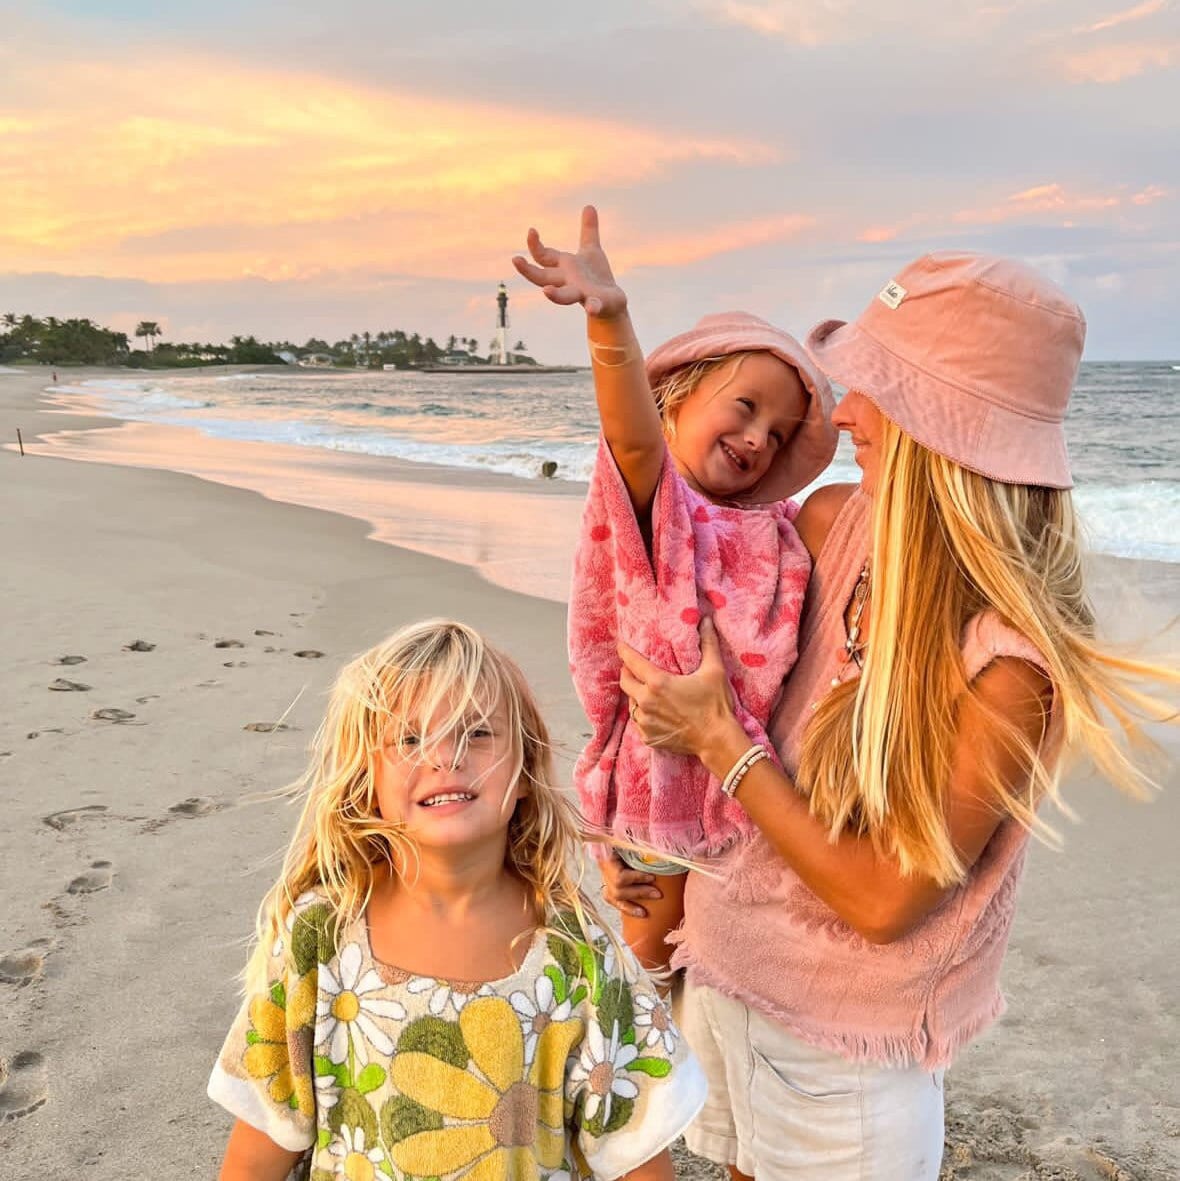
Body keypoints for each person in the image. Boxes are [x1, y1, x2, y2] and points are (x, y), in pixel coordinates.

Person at [607, 251, 1179, 1179]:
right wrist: (650, 858)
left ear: (950, 433)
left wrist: (720, 742)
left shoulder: (1008, 669)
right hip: (718, 978)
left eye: (877, 386)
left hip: (846, 1062)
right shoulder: (833, 523)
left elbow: (883, 900)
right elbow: (668, 558)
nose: (841, 412)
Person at [208, 619, 706, 1181]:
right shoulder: (320, 935)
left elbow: (636, 1155)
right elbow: (261, 1147)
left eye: (478, 733)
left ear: (523, 772)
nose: (446, 757)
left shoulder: (577, 956)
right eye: (410, 738)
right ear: (367, 779)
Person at [513, 207, 836, 976]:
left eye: (782, 433)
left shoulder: (776, 525)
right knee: (651, 977)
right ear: (678, 399)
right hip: (662, 791)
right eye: (745, 407)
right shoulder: (661, 508)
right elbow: (628, 431)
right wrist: (610, 323)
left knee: (728, 971)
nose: (760, 437)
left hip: (750, 788)